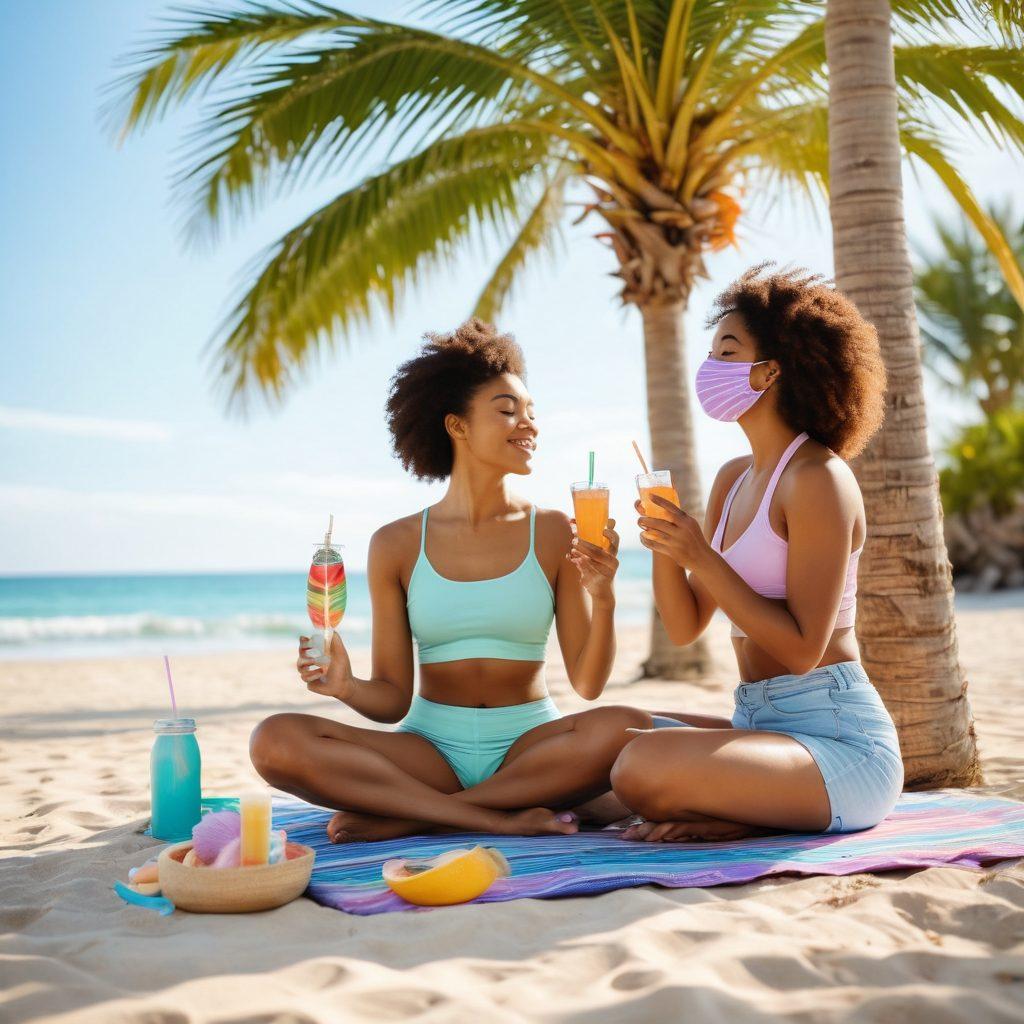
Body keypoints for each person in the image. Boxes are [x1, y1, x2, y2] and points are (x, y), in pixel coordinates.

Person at [250, 319, 650, 842]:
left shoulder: (553, 530)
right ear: (457, 426)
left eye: (532, 413)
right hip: (430, 749)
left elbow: (589, 685)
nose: (528, 425)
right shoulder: (395, 544)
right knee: (274, 739)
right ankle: (487, 816)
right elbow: (393, 699)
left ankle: (416, 815)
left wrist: (605, 597)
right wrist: (347, 688)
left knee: (622, 726)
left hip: (530, 746)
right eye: (507, 411)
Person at [611, 264, 904, 842]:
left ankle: (734, 816)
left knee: (638, 767)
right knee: (612, 736)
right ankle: (734, 807)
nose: (708, 368)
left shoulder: (818, 477)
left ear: (770, 371)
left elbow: (801, 650)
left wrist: (703, 556)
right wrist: (669, 545)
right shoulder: (734, 478)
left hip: (840, 745)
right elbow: (684, 624)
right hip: (761, 721)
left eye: (727, 351)